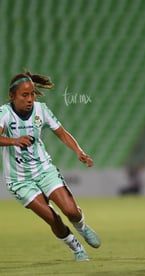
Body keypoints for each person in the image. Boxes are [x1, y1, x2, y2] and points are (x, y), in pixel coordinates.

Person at [0, 70, 101, 261]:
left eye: (32, 94)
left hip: (44, 170)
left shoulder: (41, 110)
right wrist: (14, 141)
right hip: (19, 180)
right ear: (12, 96)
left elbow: (62, 133)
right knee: (52, 218)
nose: (29, 99)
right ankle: (76, 247)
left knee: (71, 211)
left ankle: (82, 227)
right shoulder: (4, 113)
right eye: (24, 95)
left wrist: (79, 151)